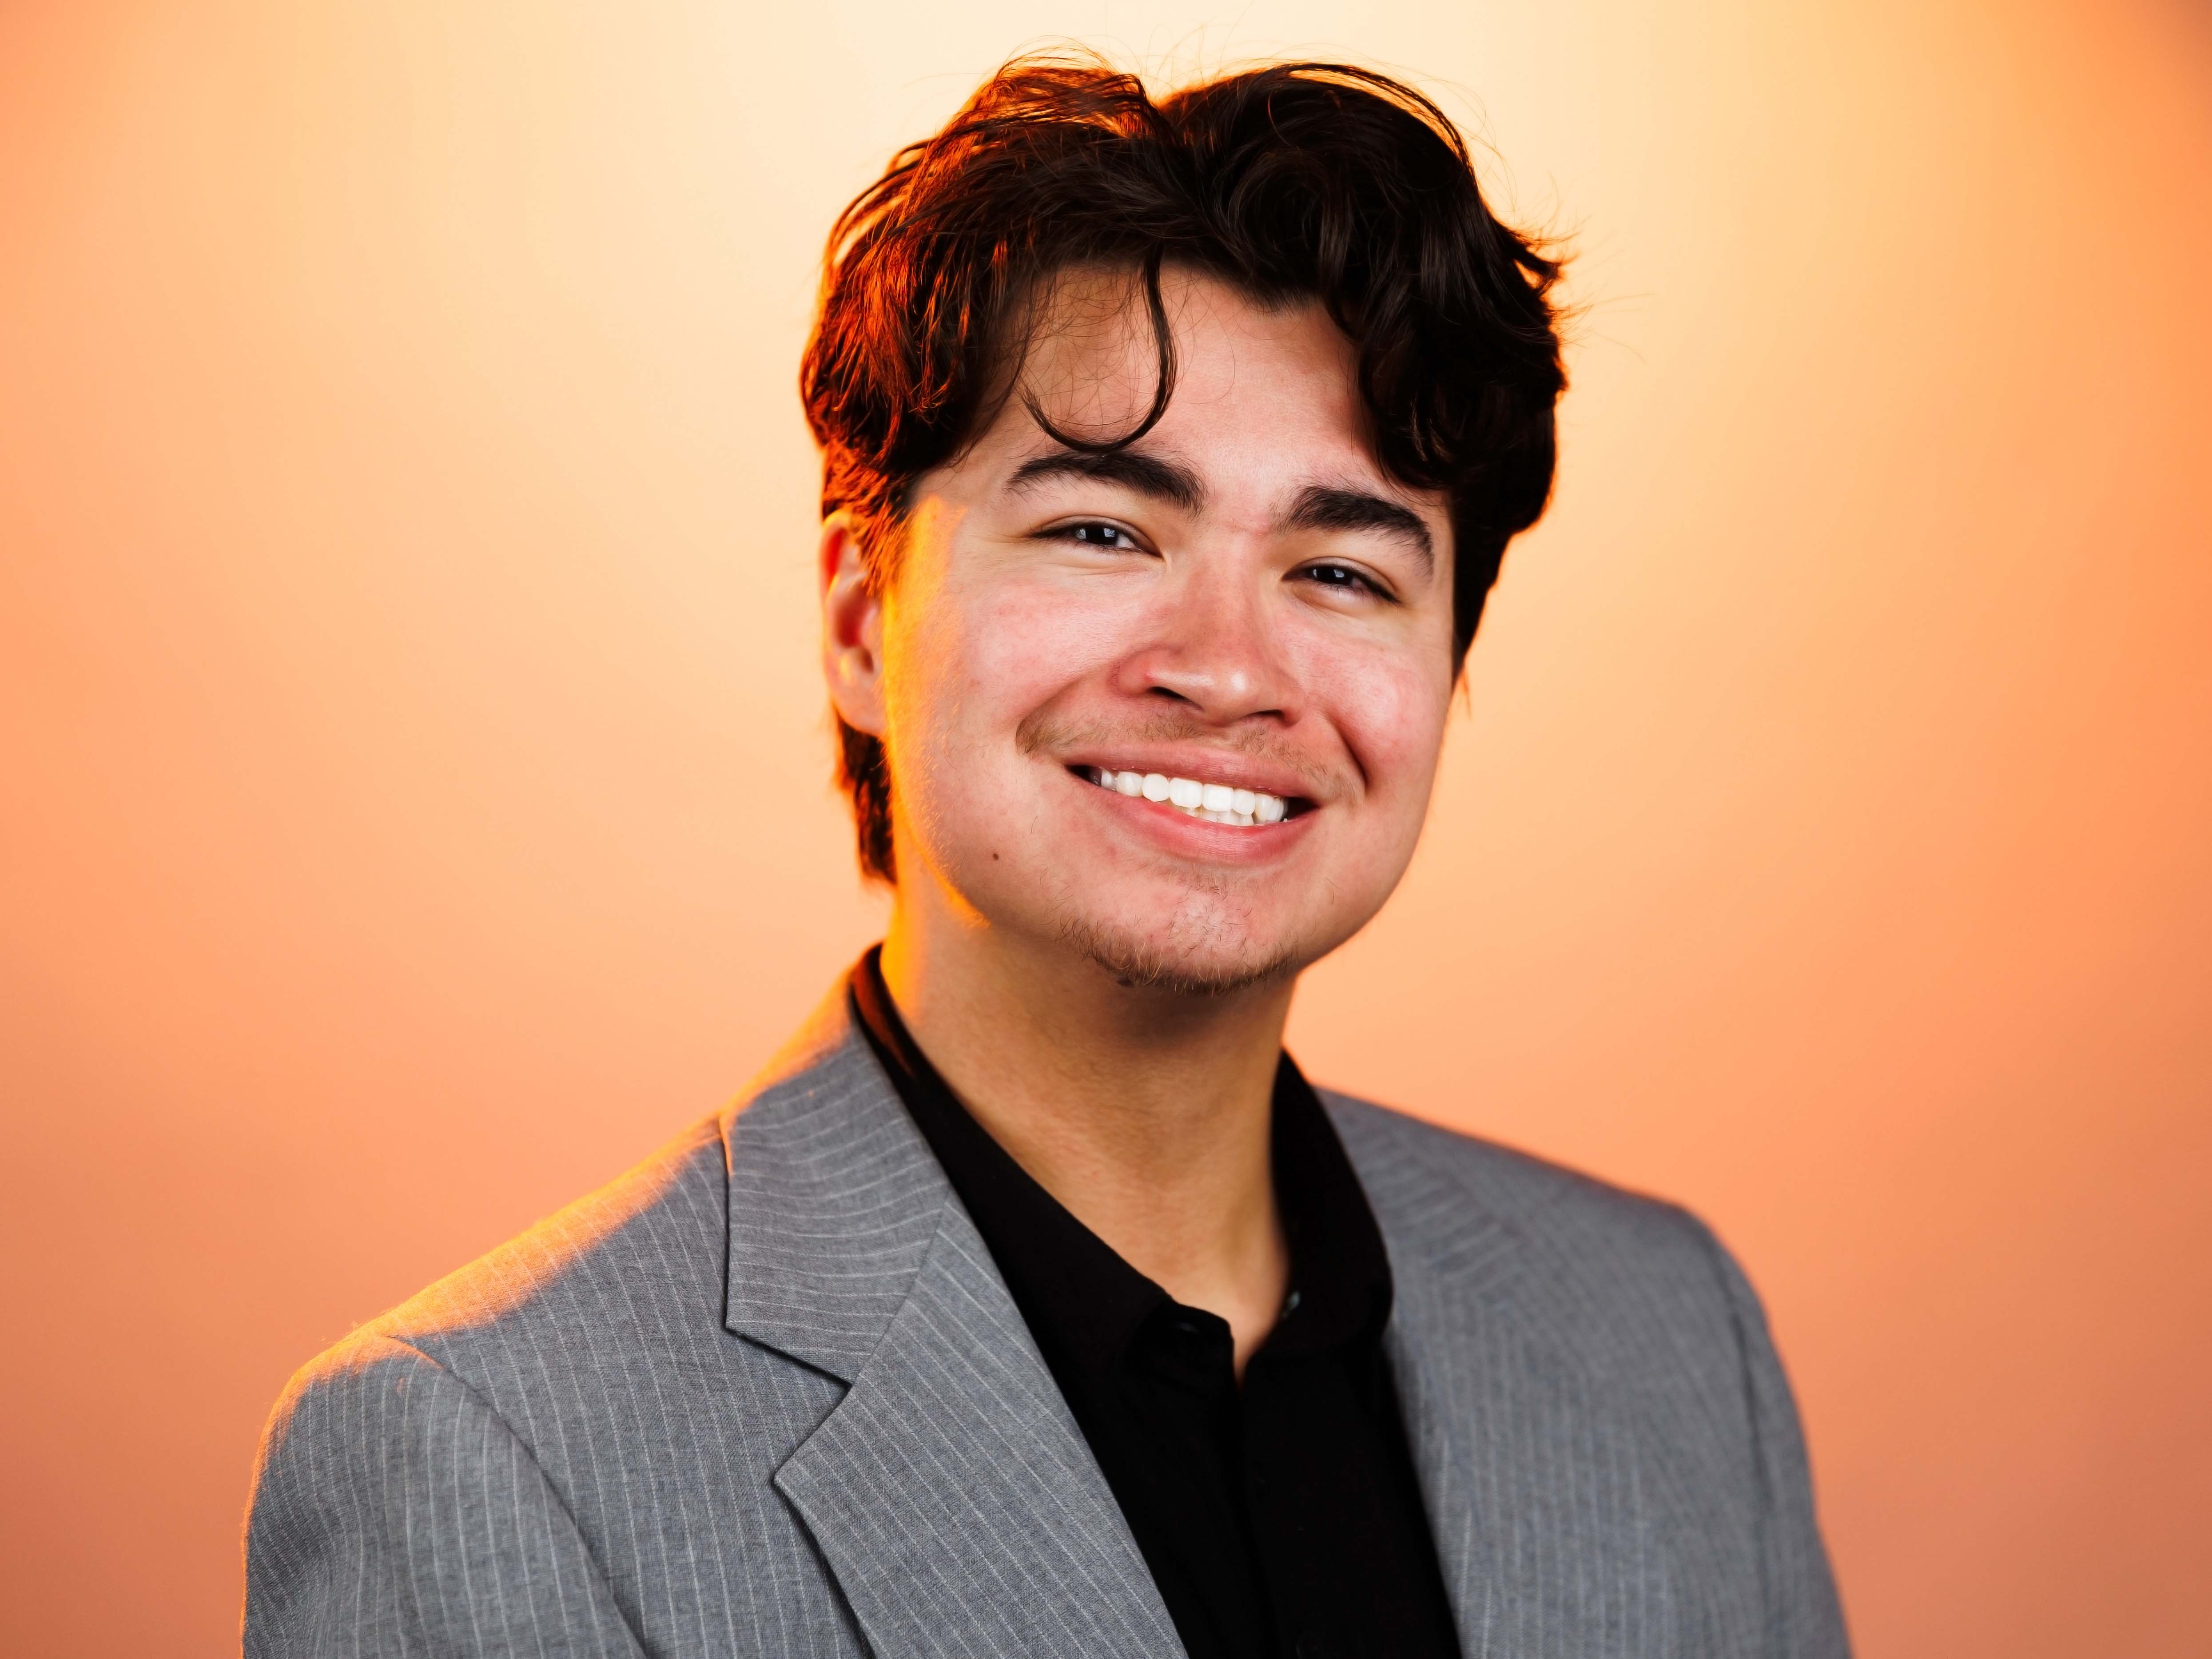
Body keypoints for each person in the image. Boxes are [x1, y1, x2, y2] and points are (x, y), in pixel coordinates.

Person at [243, 55, 1849, 1659]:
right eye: (1102, 530)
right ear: (863, 624)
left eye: (1343, 570)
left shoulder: (1662, 1330)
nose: (1226, 667)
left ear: (1446, 668)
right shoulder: (482, 1454)